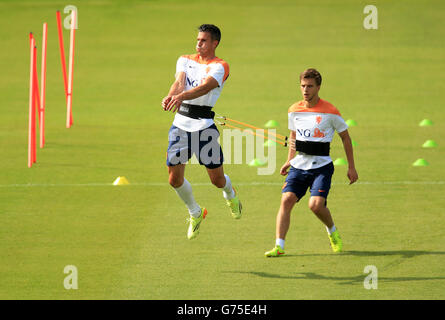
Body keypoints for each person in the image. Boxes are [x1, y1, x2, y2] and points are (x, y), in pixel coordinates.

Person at [265, 68, 358, 257]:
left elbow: (346, 138)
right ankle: (279, 246)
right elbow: (293, 136)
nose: (305, 90)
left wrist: (351, 167)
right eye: (302, 86)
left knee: (315, 205)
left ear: (318, 87)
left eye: (310, 86)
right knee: (286, 200)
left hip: (322, 167)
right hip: (299, 165)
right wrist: (289, 160)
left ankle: (332, 231)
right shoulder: (294, 110)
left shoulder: (331, 111)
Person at [162, 24, 242, 240]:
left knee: (216, 180)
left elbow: (206, 87)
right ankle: (195, 212)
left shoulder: (220, 66)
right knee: (174, 180)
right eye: (198, 40)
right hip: (180, 125)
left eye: (204, 40)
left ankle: (230, 194)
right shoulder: (184, 59)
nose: (198, 43)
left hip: (204, 128)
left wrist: (181, 97)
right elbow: (179, 82)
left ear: (215, 43)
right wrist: (171, 96)